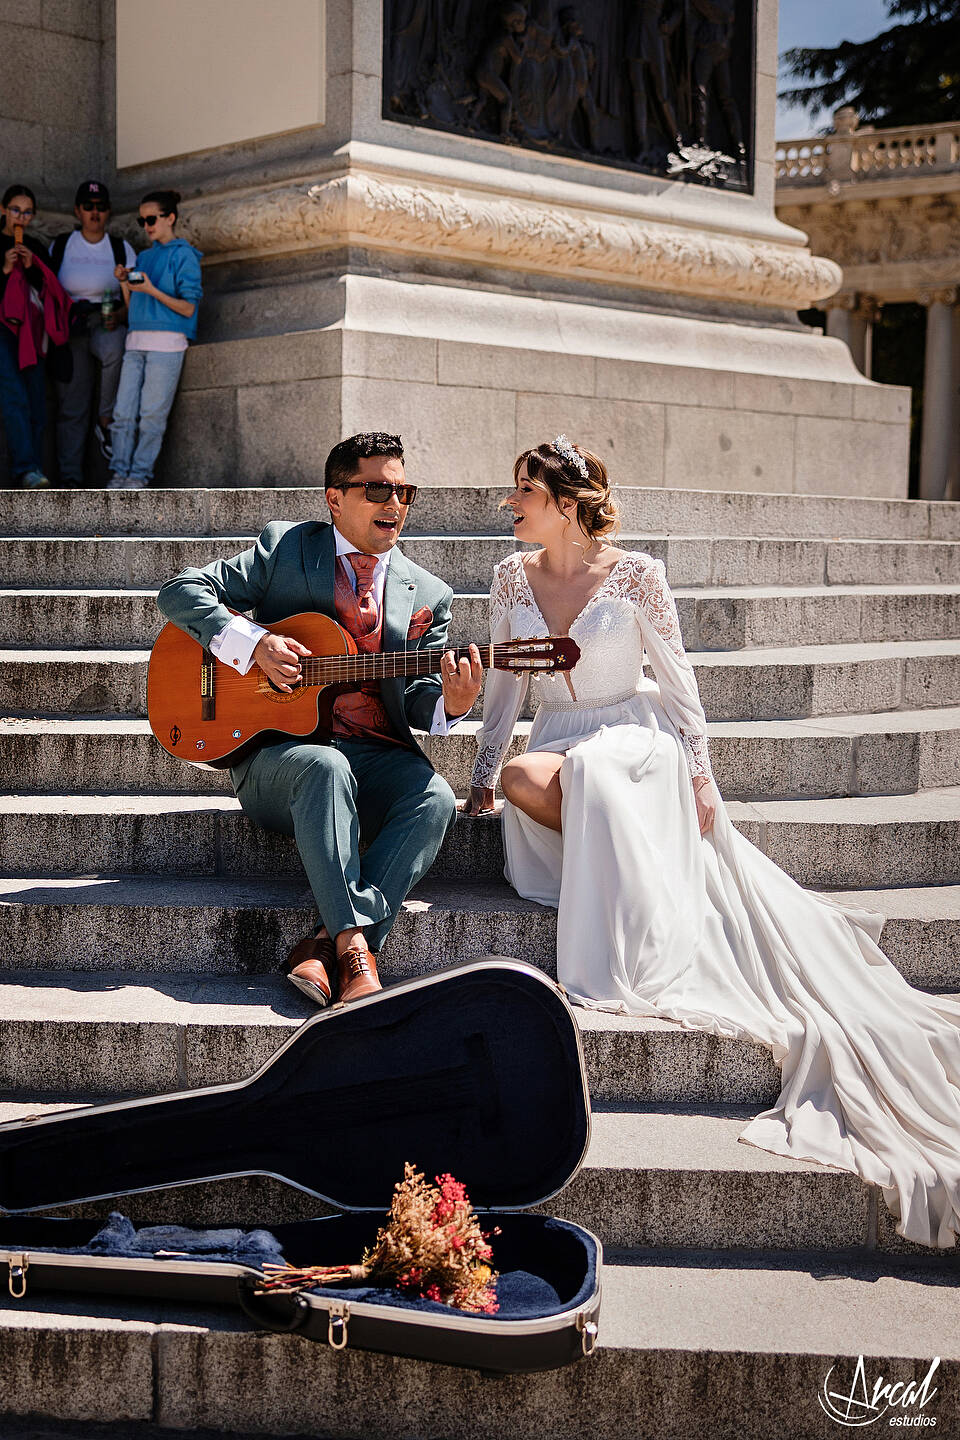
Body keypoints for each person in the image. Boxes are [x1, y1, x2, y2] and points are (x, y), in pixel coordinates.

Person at [466, 435, 960, 1250]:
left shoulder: (638, 576)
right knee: (528, 776)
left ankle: (644, 862)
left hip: (636, 741)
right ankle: (623, 857)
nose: (508, 504)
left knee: (586, 768)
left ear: (564, 502)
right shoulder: (510, 578)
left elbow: (680, 678)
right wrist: (484, 772)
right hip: (562, 749)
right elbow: (507, 689)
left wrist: (701, 776)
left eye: (522, 490)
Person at [157, 432, 483, 1006]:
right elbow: (181, 591)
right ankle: (358, 953)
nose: (395, 504)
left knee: (432, 799)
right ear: (335, 498)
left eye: (405, 491)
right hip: (278, 758)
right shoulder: (286, 547)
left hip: (375, 755)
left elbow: (417, 701)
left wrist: (452, 703)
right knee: (325, 767)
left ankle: (324, 943)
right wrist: (253, 643)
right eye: (378, 488)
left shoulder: (430, 591)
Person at [108, 189, 202, 490]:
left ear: (170, 217)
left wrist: (152, 290)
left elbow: (189, 307)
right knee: (122, 412)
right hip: (135, 341)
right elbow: (133, 302)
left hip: (167, 344)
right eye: (142, 219)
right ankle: (119, 474)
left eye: (151, 218)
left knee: (151, 415)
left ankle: (138, 476)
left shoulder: (185, 254)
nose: (146, 224)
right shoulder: (145, 256)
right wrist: (126, 283)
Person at [48, 180, 137, 485]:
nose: (95, 212)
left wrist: (120, 316)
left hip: (107, 320)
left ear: (108, 211)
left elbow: (134, 297)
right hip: (71, 327)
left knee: (117, 345)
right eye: (88, 207)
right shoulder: (61, 246)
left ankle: (106, 416)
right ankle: (70, 478)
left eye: (100, 207)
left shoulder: (119, 247)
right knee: (72, 407)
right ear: (78, 211)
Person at [0, 184, 64, 489]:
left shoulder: (36, 246)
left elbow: (51, 292)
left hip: (32, 334)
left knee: (37, 400)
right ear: (2, 210)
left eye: (26, 213)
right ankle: (24, 467)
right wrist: (4, 268)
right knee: (14, 396)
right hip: (2, 332)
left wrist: (31, 267)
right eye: (15, 210)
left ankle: (35, 467)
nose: (20, 218)